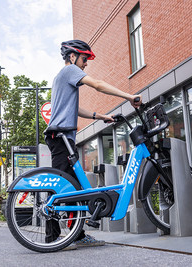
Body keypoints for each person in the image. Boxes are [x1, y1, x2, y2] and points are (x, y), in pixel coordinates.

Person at [45, 40, 142, 248]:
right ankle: (52, 237)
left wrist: (101, 116)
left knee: (75, 188)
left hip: (61, 137)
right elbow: (97, 84)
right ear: (72, 57)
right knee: (61, 187)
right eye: (84, 58)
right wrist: (129, 96)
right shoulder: (70, 70)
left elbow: (75, 109)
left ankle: (77, 236)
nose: (86, 63)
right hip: (61, 137)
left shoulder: (61, 78)